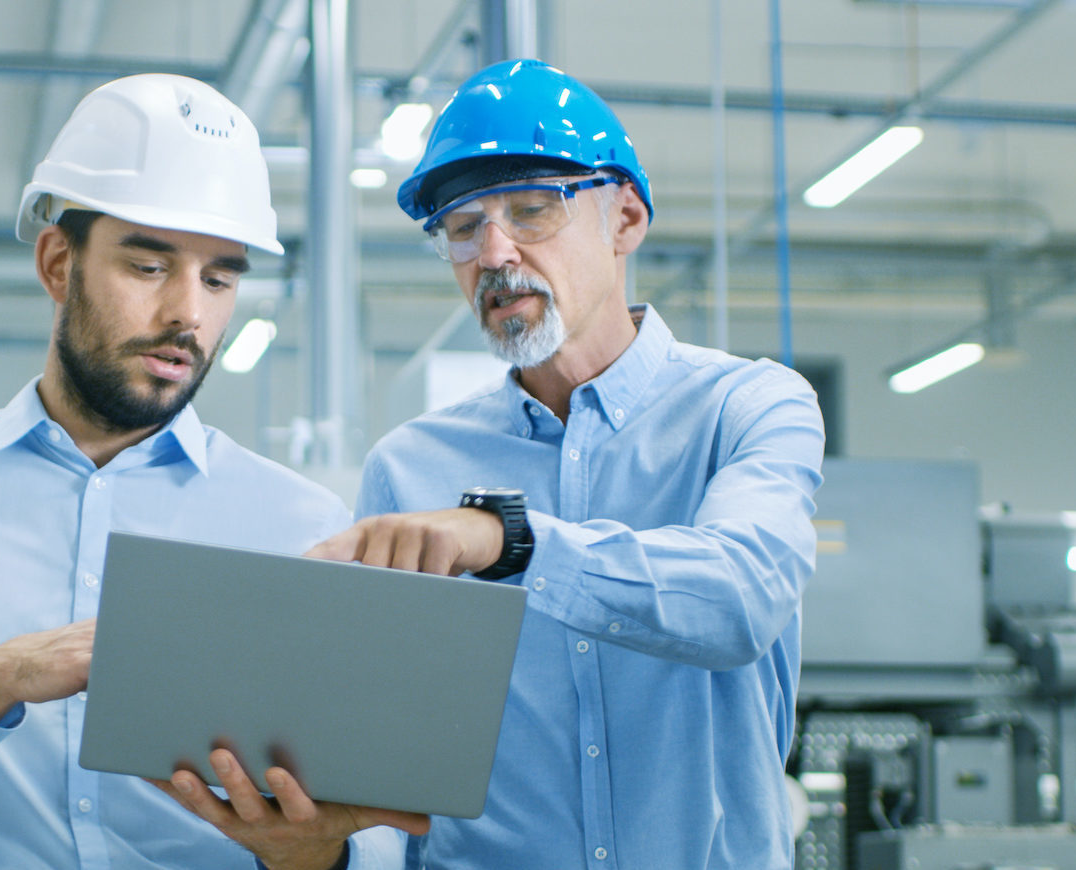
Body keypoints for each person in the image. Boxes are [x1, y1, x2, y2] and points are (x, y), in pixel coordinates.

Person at [0, 74, 420, 870]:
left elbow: (377, 838)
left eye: (219, 277)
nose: (187, 314)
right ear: (58, 264)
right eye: (148, 266)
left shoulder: (301, 525)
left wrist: (315, 855)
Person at [168, 60, 825, 868]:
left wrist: (508, 539)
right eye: (461, 225)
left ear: (624, 219)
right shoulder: (409, 470)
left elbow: (741, 596)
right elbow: (379, 767)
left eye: (531, 210)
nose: (493, 251)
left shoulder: (747, 407)